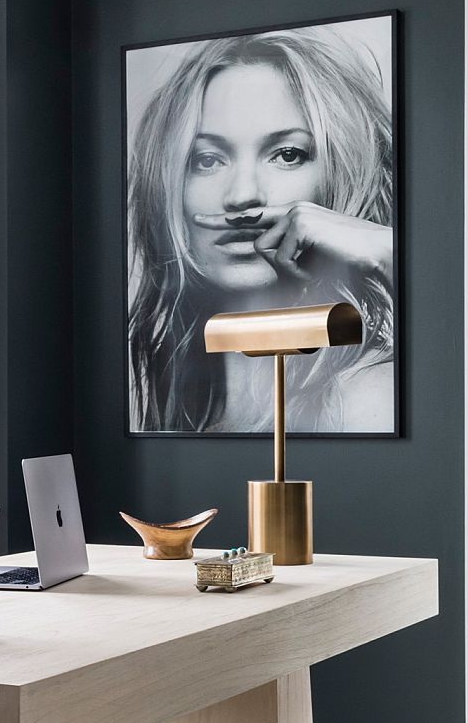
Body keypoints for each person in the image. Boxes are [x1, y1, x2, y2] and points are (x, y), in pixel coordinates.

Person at [128, 25, 394, 434]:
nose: (242, 195)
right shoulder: (180, 414)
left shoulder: (366, 399)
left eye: (287, 155)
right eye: (208, 160)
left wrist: (386, 250)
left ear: (341, 171)